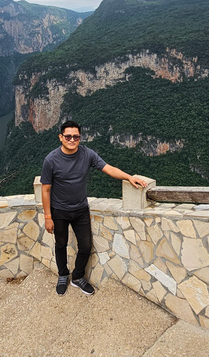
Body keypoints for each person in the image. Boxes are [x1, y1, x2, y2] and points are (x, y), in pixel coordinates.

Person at [41, 120, 147, 296]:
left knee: (86, 245)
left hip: (81, 209)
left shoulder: (87, 154)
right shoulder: (51, 160)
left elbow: (108, 168)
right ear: (61, 137)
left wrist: (129, 177)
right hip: (59, 211)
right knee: (60, 244)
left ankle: (77, 277)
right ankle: (62, 274)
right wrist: (47, 216)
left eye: (76, 136)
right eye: (68, 136)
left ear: (80, 138)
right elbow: (45, 189)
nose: (72, 139)